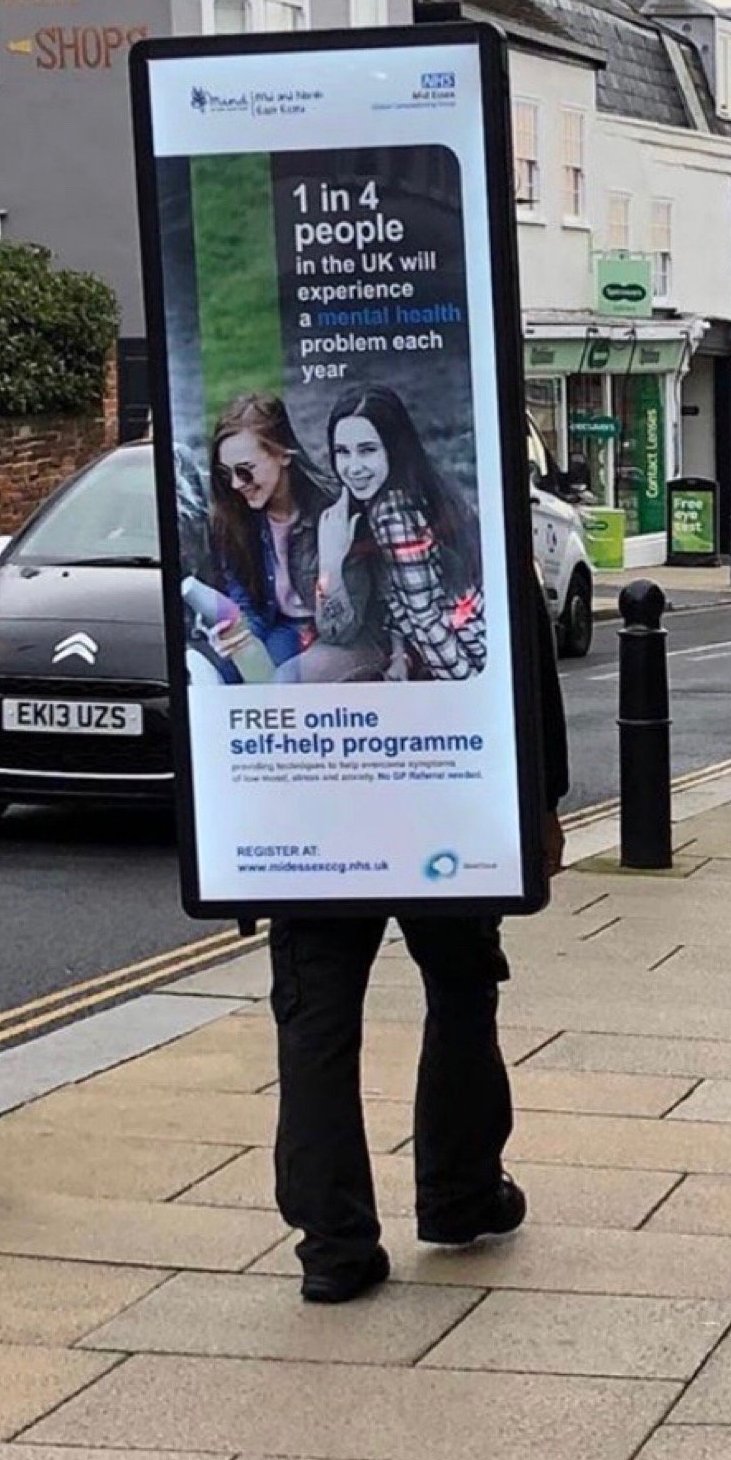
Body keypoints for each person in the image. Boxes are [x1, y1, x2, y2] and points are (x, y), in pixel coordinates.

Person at [269, 567, 570, 1303]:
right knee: (462, 985)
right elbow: (524, 655)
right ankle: (460, 1193)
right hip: (443, 796)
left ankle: (333, 1245)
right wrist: (542, 799)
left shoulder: (318, 534)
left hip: (320, 800)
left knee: (317, 1015)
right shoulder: (468, 517)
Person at [204, 394, 381, 683]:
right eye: (226, 474)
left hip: (347, 633)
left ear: (284, 454)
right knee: (229, 676)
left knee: (283, 680)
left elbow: (343, 630)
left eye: (245, 471)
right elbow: (248, 605)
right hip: (286, 626)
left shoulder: (334, 509)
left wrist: (331, 565)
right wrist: (236, 635)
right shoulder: (234, 517)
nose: (236, 484)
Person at [329, 384, 487, 682]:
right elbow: (404, 600)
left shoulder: (392, 515)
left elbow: (425, 619)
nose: (353, 468)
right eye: (342, 452)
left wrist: (463, 689)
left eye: (367, 450)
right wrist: (400, 654)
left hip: (463, 656)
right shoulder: (418, 488)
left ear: (393, 448)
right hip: (469, 641)